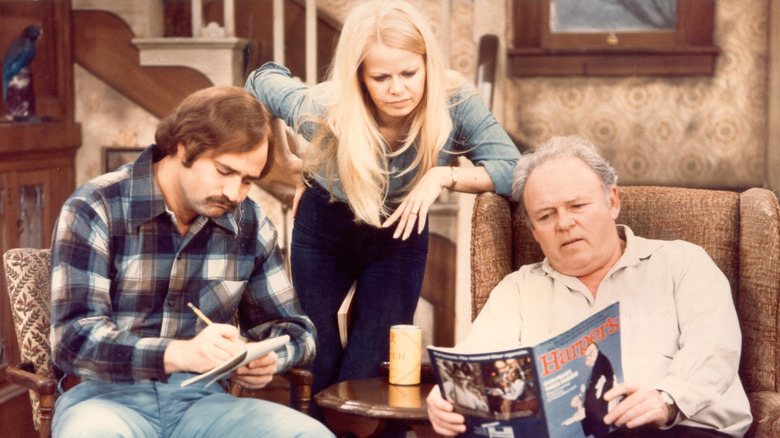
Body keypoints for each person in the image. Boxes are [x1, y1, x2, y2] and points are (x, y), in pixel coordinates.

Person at [244, 0, 520, 399]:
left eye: (410, 72)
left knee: (368, 374)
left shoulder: (454, 101)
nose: (398, 88)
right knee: (317, 363)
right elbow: (262, 80)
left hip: (399, 236)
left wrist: (443, 175)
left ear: (427, 64)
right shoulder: (323, 107)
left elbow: (514, 168)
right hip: (323, 229)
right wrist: (284, 159)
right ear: (360, 79)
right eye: (380, 77)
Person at [49, 86, 334, 438]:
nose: (234, 193)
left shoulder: (248, 223)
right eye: (224, 171)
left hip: (202, 403)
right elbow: (73, 340)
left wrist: (270, 358)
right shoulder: (95, 207)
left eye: (247, 180)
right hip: (102, 401)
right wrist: (180, 354)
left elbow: (297, 330)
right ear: (183, 147)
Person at [426, 136, 752, 437]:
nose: (564, 223)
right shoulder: (518, 290)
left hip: (678, 430)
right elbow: (477, 357)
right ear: (534, 231)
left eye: (577, 206)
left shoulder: (682, 263)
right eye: (546, 216)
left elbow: (714, 349)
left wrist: (666, 400)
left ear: (612, 201)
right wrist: (448, 393)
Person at [581, 342, 617, 437]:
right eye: (586, 356)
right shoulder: (597, 365)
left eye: (590, 354)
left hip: (601, 417)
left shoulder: (601, 362)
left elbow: (597, 389)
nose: (587, 357)